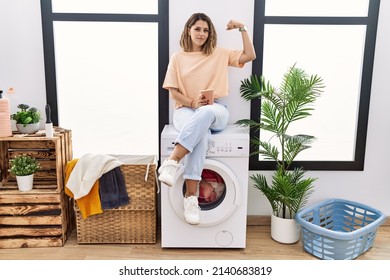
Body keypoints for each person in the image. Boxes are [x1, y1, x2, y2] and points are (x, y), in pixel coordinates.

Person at [158, 12, 256, 225]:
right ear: (188, 31)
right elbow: (173, 91)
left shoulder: (219, 54)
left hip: (215, 110)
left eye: (205, 30)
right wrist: (192, 103)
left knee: (207, 112)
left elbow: (250, 55)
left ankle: (172, 161)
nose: (201, 33)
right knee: (200, 137)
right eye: (197, 29)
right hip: (185, 110)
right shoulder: (178, 58)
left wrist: (242, 27)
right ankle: (191, 198)